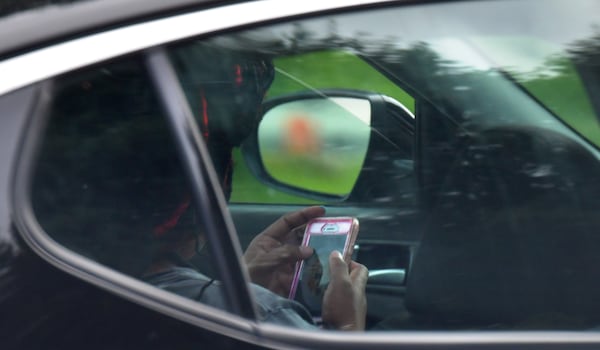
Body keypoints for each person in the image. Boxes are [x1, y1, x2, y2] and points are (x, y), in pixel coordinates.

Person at [142, 40, 368, 331]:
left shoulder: (82, 281)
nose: (230, 170)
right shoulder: (267, 318)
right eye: (225, 154)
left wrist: (241, 286)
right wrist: (348, 330)